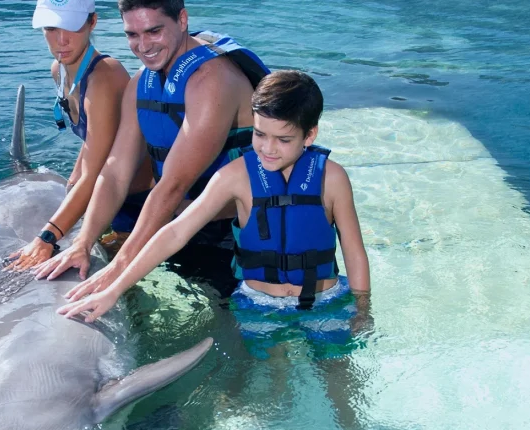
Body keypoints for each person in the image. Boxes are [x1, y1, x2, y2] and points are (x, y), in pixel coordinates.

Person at [56, 70, 371, 335]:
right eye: (259, 135)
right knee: (274, 391)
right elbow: (175, 232)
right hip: (259, 304)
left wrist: (362, 307)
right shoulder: (234, 176)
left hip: (325, 299)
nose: (268, 149)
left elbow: (354, 250)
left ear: (310, 134)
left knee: (341, 387)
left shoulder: (333, 178)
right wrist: (115, 287)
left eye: (283, 139)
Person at [33, 0, 270, 296]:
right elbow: (115, 172)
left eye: (153, 31)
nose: (143, 46)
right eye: (132, 35)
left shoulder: (212, 81)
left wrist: (118, 269)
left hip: (235, 238)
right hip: (178, 228)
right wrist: (82, 242)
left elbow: (172, 185)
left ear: (182, 20)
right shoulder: (141, 83)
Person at [3, 0, 153, 271]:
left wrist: (47, 236)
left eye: (72, 27)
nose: (61, 40)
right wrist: (70, 190)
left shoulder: (105, 76)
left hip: (136, 204)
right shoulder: (58, 69)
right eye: (51, 28)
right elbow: (92, 143)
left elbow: (96, 173)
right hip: (106, 198)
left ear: (92, 22)